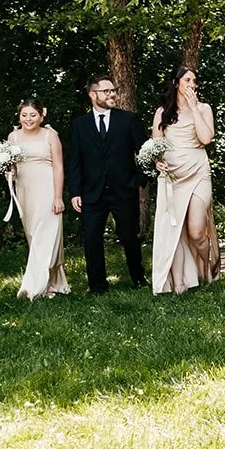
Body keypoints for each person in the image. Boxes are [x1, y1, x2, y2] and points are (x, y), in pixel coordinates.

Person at [67, 74, 148, 294]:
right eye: (106, 91)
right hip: (91, 193)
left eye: (113, 90)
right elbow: (74, 161)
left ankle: (138, 278)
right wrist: (75, 191)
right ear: (93, 95)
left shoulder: (129, 119)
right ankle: (97, 286)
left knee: (130, 237)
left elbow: (145, 152)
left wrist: (139, 180)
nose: (112, 94)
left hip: (124, 190)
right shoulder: (79, 125)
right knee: (92, 239)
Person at [151, 67, 220, 294]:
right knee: (175, 230)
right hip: (172, 176)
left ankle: (208, 266)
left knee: (197, 231)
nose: (192, 84)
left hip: (198, 172)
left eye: (194, 80)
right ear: (176, 82)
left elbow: (206, 138)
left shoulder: (203, 108)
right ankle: (180, 281)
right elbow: (156, 146)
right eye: (187, 79)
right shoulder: (163, 112)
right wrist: (157, 163)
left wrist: (193, 109)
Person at [7, 100, 69, 299]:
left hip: (47, 189)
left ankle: (34, 287)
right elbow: (12, 166)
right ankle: (55, 283)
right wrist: (7, 172)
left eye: (33, 115)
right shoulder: (13, 136)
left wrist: (58, 197)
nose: (28, 119)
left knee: (46, 235)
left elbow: (59, 167)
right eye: (24, 115)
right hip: (24, 190)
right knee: (34, 237)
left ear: (42, 115)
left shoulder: (51, 135)